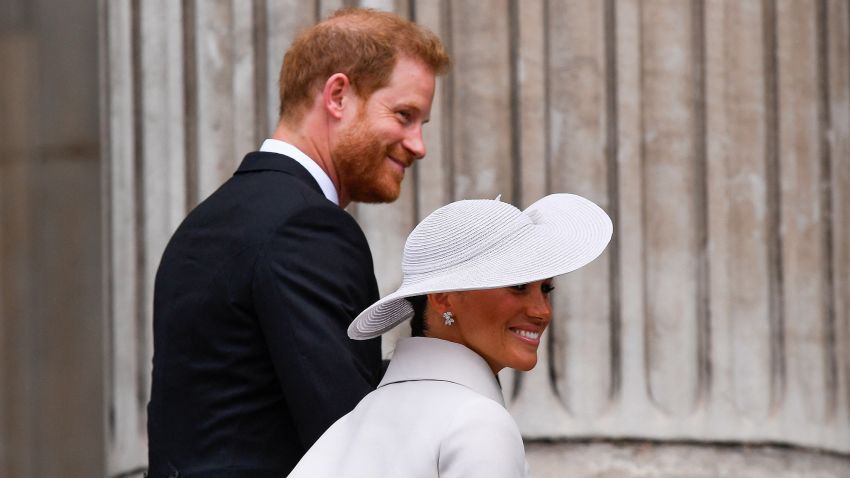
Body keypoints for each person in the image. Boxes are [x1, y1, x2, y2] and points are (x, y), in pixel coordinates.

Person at [146, 8, 449, 477]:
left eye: (422, 123)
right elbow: (347, 435)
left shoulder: (204, 224)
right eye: (404, 115)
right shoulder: (306, 225)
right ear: (338, 95)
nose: (417, 144)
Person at [289, 193, 613, 477]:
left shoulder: (358, 418)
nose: (542, 311)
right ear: (443, 297)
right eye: (518, 285)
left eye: (546, 289)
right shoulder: (477, 421)